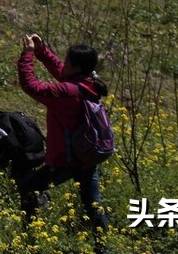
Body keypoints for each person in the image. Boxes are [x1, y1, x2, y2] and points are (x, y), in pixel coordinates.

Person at [16, 34, 109, 248]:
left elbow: (30, 85)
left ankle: (30, 241)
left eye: (67, 61)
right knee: (93, 205)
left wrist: (28, 54)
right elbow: (63, 72)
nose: (63, 63)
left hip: (65, 161)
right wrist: (42, 51)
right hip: (85, 155)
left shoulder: (68, 93)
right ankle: (104, 248)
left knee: (28, 188)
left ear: (76, 67)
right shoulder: (89, 84)